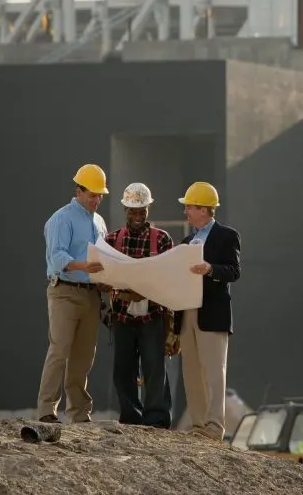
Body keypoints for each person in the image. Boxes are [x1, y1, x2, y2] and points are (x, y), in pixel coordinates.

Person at [37, 164, 110, 424]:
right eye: (92, 194)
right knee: (59, 349)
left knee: (84, 355)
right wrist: (83, 266)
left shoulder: (99, 222)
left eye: (100, 195)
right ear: (78, 190)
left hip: (91, 295)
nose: (97, 199)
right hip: (65, 292)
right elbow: (57, 258)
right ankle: (47, 410)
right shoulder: (62, 218)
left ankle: (79, 412)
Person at [103, 182, 176, 428]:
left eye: (141, 211)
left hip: (152, 313)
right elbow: (103, 276)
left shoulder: (163, 240)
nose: (137, 216)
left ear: (148, 209)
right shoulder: (112, 240)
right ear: (125, 209)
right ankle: (131, 416)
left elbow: (170, 278)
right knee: (123, 369)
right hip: (122, 315)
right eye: (132, 211)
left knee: (155, 367)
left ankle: (156, 418)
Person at [174, 181, 241, 440]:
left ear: (203, 209)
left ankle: (215, 426)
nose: (186, 212)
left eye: (189, 206)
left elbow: (234, 271)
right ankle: (199, 424)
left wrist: (210, 269)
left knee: (214, 370)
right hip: (188, 311)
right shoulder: (187, 240)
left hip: (212, 313)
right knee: (191, 371)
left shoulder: (226, 236)